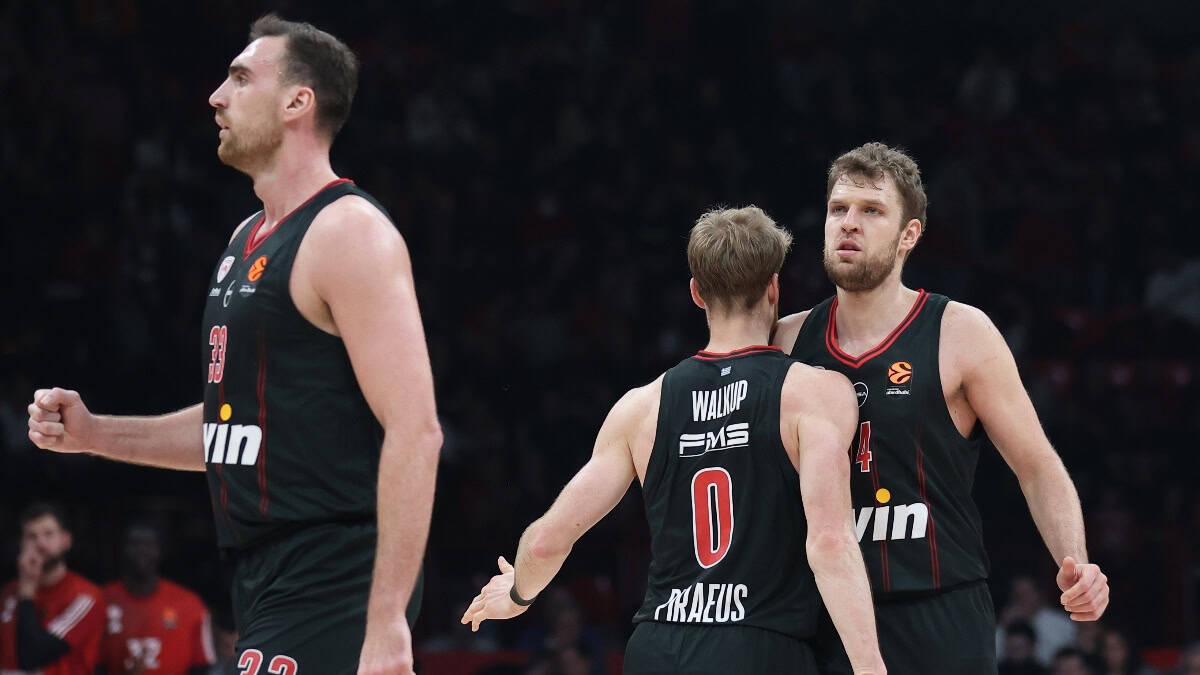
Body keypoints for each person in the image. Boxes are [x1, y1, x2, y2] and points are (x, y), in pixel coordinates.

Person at [25, 14, 441, 675]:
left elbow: (416, 430)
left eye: (241, 78)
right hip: (264, 573)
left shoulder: (349, 233)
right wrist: (94, 433)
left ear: (297, 102)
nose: (217, 97)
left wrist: (387, 621)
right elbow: (234, 429)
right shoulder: (245, 238)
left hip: (338, 574)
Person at [461, 207, 886, 674]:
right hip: (758, 644)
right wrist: (870, 666)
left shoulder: (641, 407)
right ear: (773, 288)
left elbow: (546, 542)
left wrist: (517, 595)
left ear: (697, 293)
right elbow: (829, 543)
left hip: (659, 646)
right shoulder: (814, 393)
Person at [773, 142, 1111, 674]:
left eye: (871, 210)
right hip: (821, 613)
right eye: (839, 209)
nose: (848, 223)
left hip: (940, 610)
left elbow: (1036, 464)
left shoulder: (960, 331)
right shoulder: (786, 340)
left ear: (909, 234)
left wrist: (1077, 562)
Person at [0, 502, 105, 674]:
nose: (40, 544)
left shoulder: (86, 596)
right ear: (21, 543)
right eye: (31, 536)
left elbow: (32, 657)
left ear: (66, 541)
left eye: (48, 534)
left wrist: (27, 589)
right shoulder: (7, 593)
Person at [99, 520, 215, 674]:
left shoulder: (189, 604)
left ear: (160, 550)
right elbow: (90, 663)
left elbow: (202, 666)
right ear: (122, 550)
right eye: (134, 544)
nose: (141, 550)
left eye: (148, 545)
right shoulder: (101, 600)